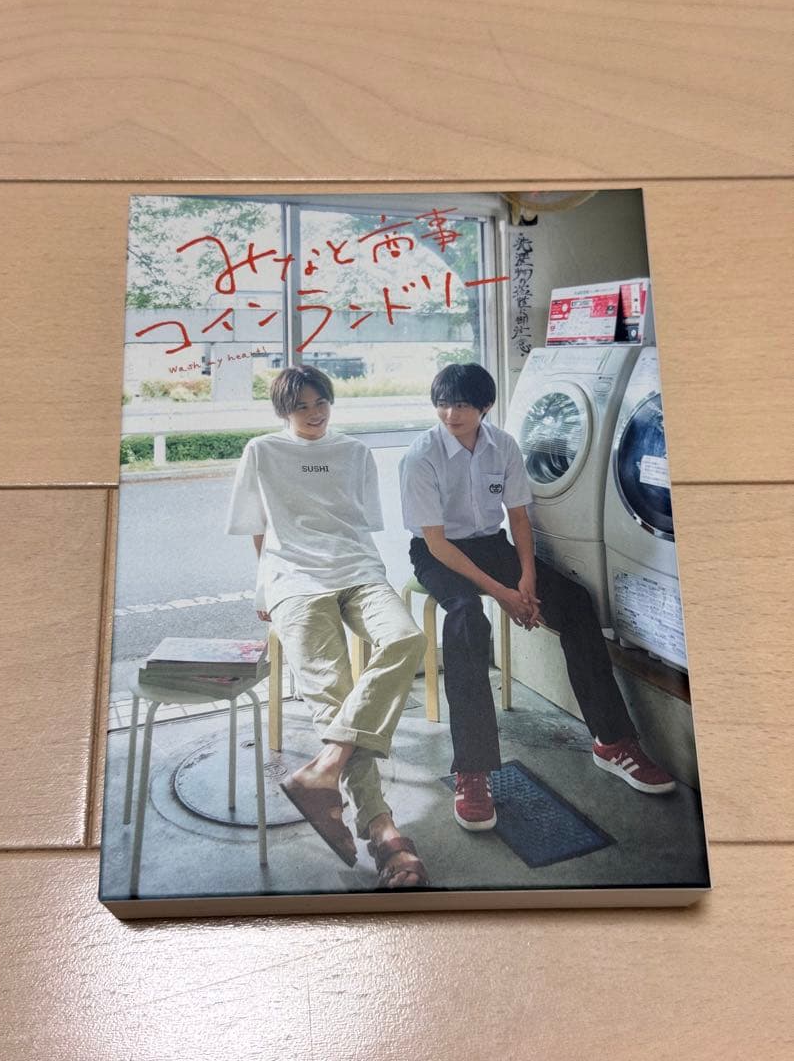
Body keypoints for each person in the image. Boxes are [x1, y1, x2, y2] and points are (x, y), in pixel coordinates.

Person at [399, 362, 676, 832]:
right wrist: (503, 594)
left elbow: (518, 519)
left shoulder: (503, 445)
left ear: (485, 406)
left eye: (461, 404)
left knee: (574, 601)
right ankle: (473, 770)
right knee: (467, 618)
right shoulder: (421, 455)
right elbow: (437, 543)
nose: (450, 414)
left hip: (491, 545)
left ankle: (612, 741)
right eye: (442, 404)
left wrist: (526, 578)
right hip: (437, 553)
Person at [226, 365, 429, 888]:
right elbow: (258, 529)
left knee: (406, 637)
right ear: (284, 412)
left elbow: (359, 525)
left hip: (357, 571)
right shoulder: (262, 452)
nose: (315, 414)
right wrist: (266, 589)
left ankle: (327, 765)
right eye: (302, 407)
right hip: (294, 579)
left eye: (321, 403)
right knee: (334, 694)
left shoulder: (354, 453)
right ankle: (382, 830)